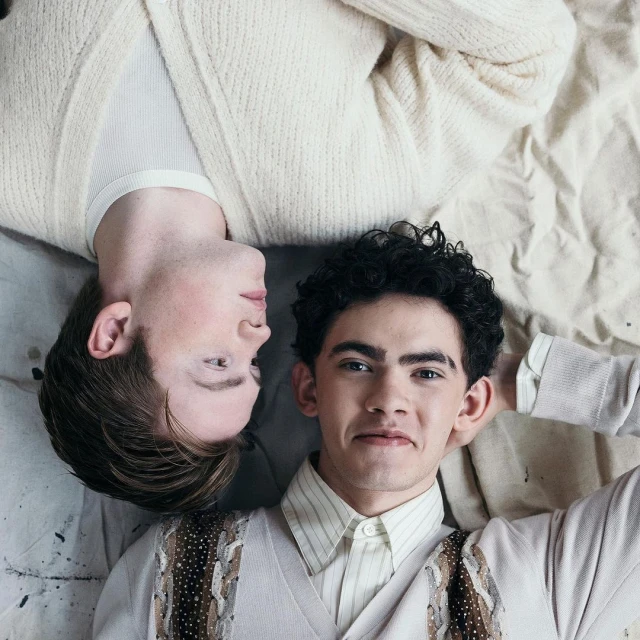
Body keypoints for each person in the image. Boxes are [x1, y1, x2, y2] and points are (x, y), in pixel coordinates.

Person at [0, 0, 576, 512]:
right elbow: (524, 50)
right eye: (252, 366)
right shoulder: (338, 189)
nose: (258, 334)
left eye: (217, 364)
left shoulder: (11, 175)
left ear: (113, 330)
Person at [91, 223, 640, 639]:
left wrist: (524, 380)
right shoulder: (168, 568)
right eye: (357, 365)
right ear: (309, 389)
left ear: (470, 406)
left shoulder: (546, 577)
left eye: (426, 373)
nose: (389, 399)